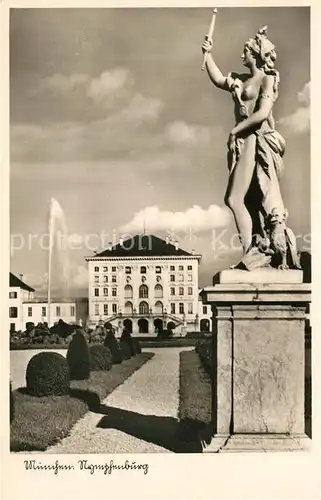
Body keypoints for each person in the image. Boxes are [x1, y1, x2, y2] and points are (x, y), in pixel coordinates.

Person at [202, 26, 290, 268]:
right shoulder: (240, 79)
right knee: (247, 199)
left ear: (257, 54)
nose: (243, 55)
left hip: (255, 139)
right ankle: (254, 248)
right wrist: (208, 54)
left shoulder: (268, 79)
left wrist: (235, 131)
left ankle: (251, 251)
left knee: (234, 198)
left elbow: (262, 113)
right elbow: (220, 78)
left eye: (246, 51)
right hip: (242, 142)